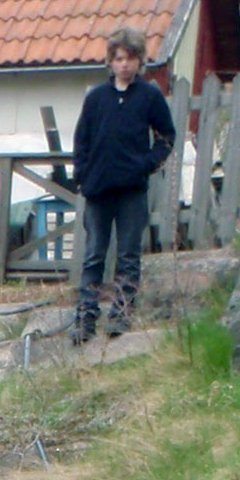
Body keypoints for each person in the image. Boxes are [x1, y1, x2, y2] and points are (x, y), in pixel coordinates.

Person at [70, 25, 178, 342]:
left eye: (130, 59)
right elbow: (82, 141)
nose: (124, 65)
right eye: (118, 59)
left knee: (129, 256)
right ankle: (85, 318)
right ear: (110, 62)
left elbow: (166, 137)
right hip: (98, 191)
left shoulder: (149, 96)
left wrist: (145, 164)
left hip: (131, 191)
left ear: (140, 61)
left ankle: (121, 314)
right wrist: (83, 175)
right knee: (94, 256)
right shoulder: (96, 99)